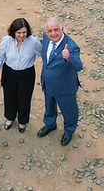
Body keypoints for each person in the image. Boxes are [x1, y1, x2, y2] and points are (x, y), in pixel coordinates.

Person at [37, 17, 83, 146]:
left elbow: (79, 66)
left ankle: (69, 131)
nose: (53, 33)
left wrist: (69, 58)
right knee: (49, 106)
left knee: (69, 111)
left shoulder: (72, 46)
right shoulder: (47, 39)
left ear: (62, 29)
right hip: (48, 83)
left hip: (65, 87)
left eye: (56, 30)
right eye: (50, 31)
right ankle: (50, 124)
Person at [0, 18, 42, 133]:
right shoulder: (6, 41)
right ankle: (10, 118)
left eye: (24, 32)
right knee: (9, 96)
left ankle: (22, 121)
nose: (21, 35)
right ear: (13, 32)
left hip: (26, 74)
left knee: (24, 98)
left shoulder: (34, 42)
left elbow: (44, 55)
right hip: (9, 72)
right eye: (18, 33)